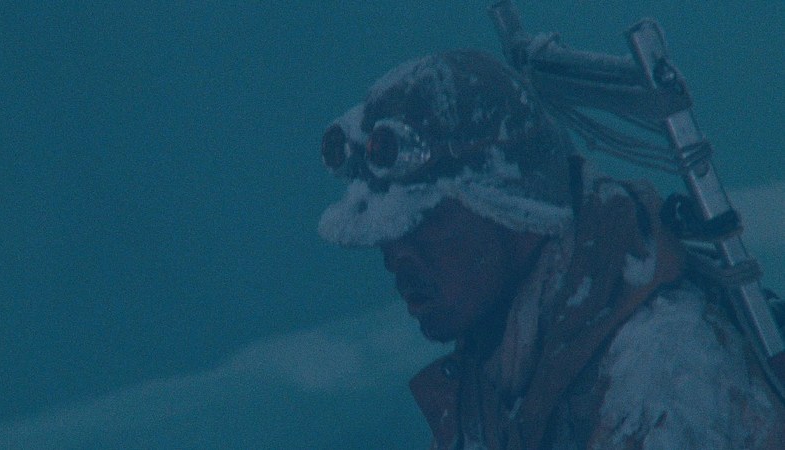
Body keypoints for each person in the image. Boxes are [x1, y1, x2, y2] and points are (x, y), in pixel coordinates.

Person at [317, 50, 785, 449]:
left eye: (424, 224)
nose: (396, 259)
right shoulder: (502, 358)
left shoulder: (662, 375)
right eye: (384, 236)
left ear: (513, 211)